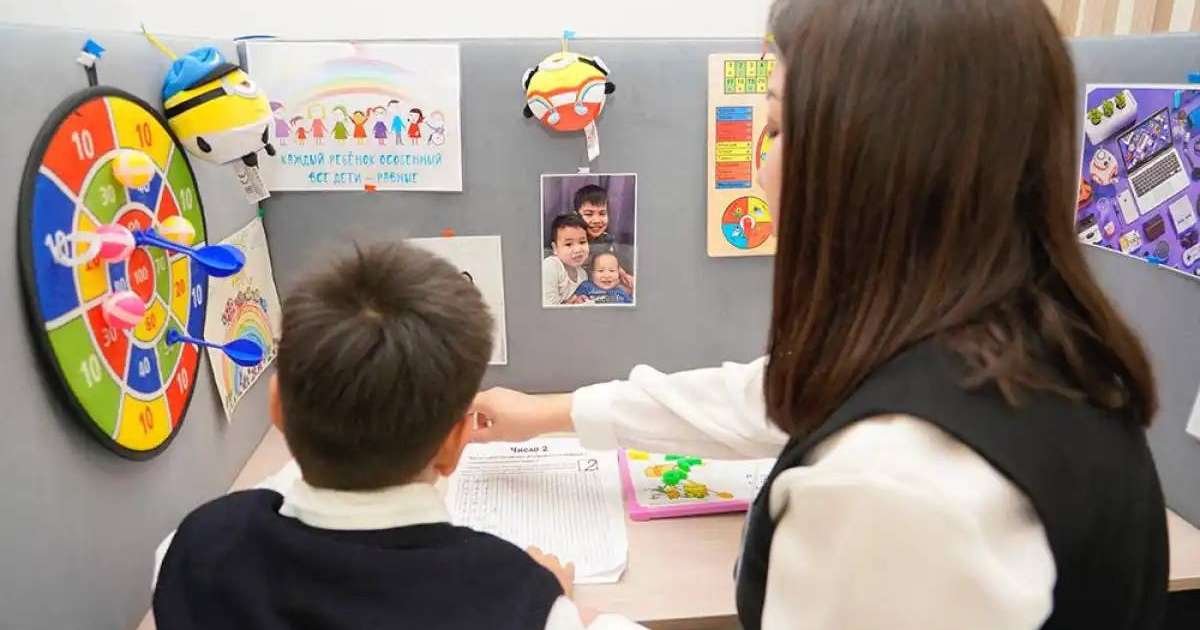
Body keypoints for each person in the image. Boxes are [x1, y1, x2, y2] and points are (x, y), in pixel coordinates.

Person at [474, 1, 1168, 629]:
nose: (753, 164)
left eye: (773, 126)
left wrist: (560, 620)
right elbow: (765, 397)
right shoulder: (1032, 349)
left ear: (865, 162)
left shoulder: (894, 485)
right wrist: (547, 413)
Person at [152, 243, 632, 630]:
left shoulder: (194, 549)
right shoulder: (515, 595)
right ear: (454, 444)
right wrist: (549, 604)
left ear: (275, 406)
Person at [573, 184, 635, 293]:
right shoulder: (571, 240)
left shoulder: (607, 239)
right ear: (575, 215)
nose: (597, 220)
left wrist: (624, 275)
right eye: (589, 214)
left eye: (602, 213)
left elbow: (610, 261)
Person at [542, 213, 590, 306]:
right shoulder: (551, 266)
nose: (578, 249)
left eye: (582, 242)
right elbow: (547, 309)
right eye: (568, 244)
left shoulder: (583, 275)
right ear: (555, 248)